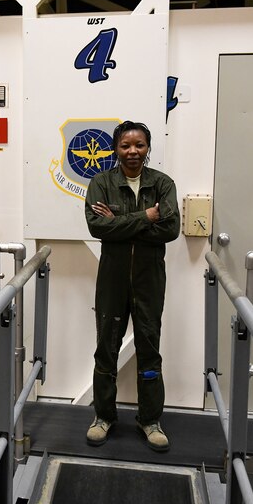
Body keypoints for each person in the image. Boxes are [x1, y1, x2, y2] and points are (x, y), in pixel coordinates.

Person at [83, 120, 180, 452]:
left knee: (150, 348)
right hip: (112, 278)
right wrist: (145, 217)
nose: (132, 152)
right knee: (105, 348)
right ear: (116, 148)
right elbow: (98, 228)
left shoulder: (162, 184)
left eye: (139, 145)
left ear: (147, 148)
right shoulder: (101, 182)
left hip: (149, 279)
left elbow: (170, 229)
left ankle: (150, 419)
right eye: (126, 145)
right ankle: (103, 417)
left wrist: (119, 222)